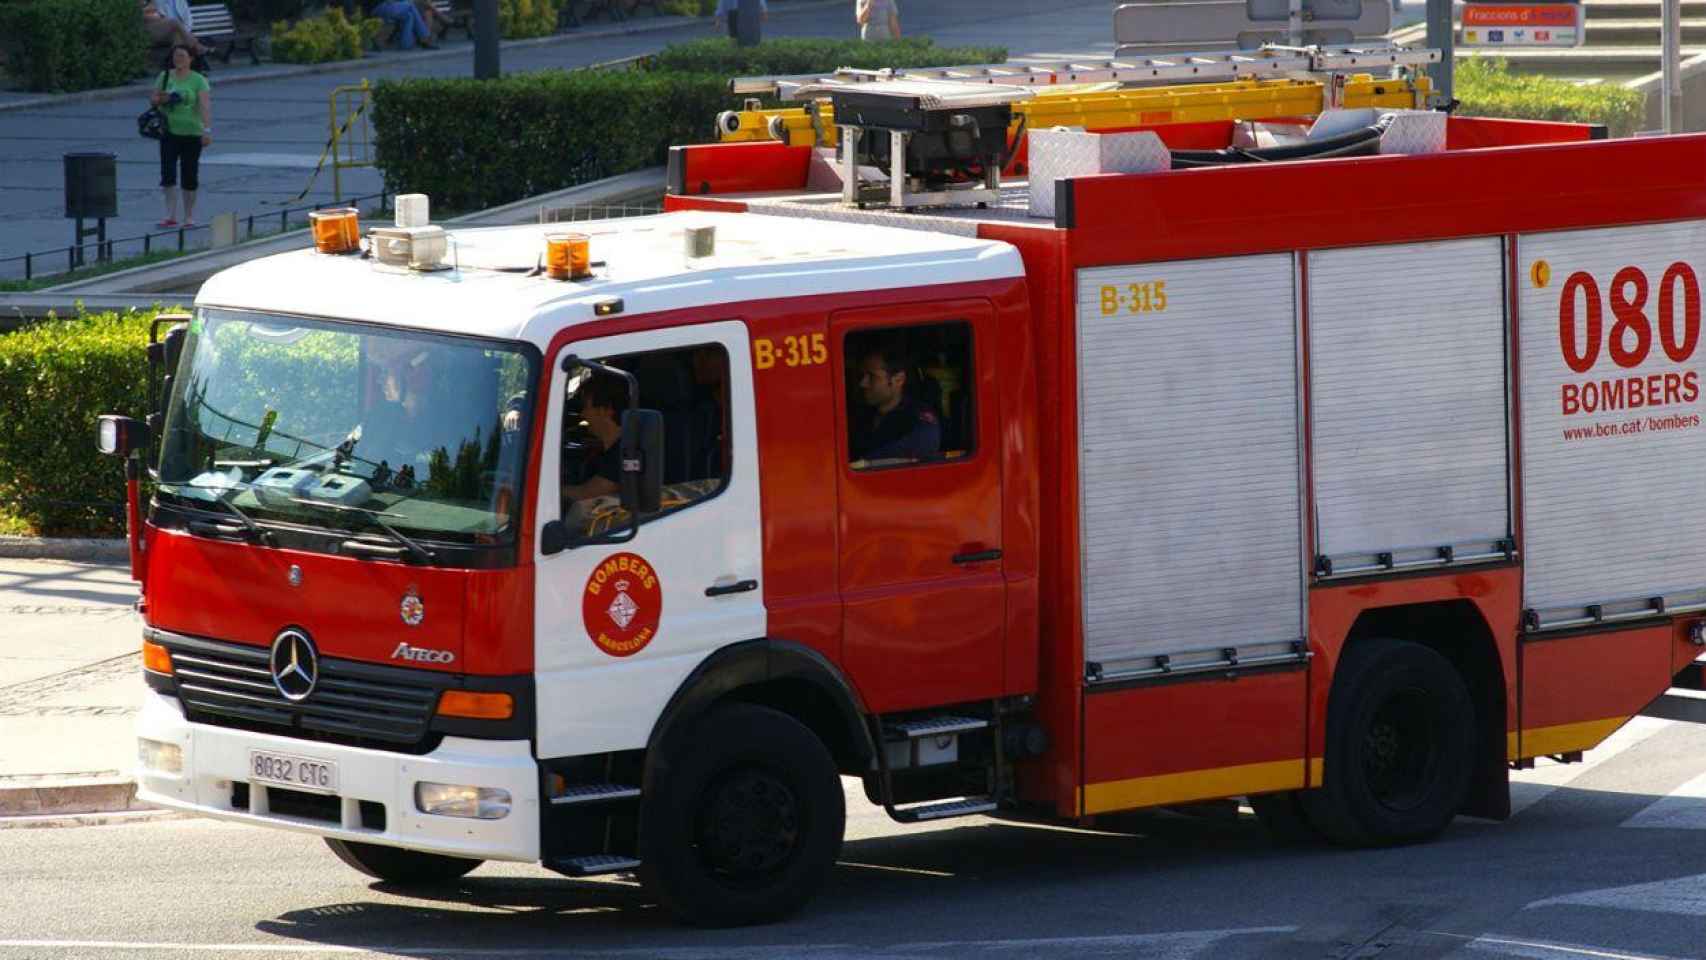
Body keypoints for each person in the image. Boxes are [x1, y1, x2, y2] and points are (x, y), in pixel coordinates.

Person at [150, 44, 212, 228]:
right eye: (176, 56)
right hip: (168, 131)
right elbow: (153, 99)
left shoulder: (198, 80)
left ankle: (189, 216)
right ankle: (170, 215)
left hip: (192, 132)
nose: (179, 59)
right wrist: (163, 98)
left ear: (191, 59)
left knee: (189, 174)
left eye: (183, 56)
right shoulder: (165, 76)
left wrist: (206, 130)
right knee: (167, 173)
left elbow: (204, 106)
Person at [850, 343, 939, 463]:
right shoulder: (859, 413)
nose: (863, 383)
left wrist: (865, 462)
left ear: (898, 380)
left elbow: (923, 445)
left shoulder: (917, 419)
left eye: (872, 376)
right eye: (862, 376)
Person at [563, 375, 627, 503]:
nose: (583, 414)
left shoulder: (623, 454)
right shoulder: (611, 449)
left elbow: (585, 494)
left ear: (606, 410)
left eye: (586, 407)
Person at [141, 0, 208, 57]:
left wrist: (185, 32)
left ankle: (173, 62)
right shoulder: (157, 1)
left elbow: (188, 19)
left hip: (176, 31)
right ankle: (197, 46)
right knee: (174, 22)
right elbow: (159, 17)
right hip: (157, 31)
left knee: (177, 35)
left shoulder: (181, 1)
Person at [373, 0, 438, 49]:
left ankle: (406, 45)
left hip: (384, 6)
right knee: (410, 5)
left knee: (408, 15)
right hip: (378, 7)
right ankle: (425, 37)